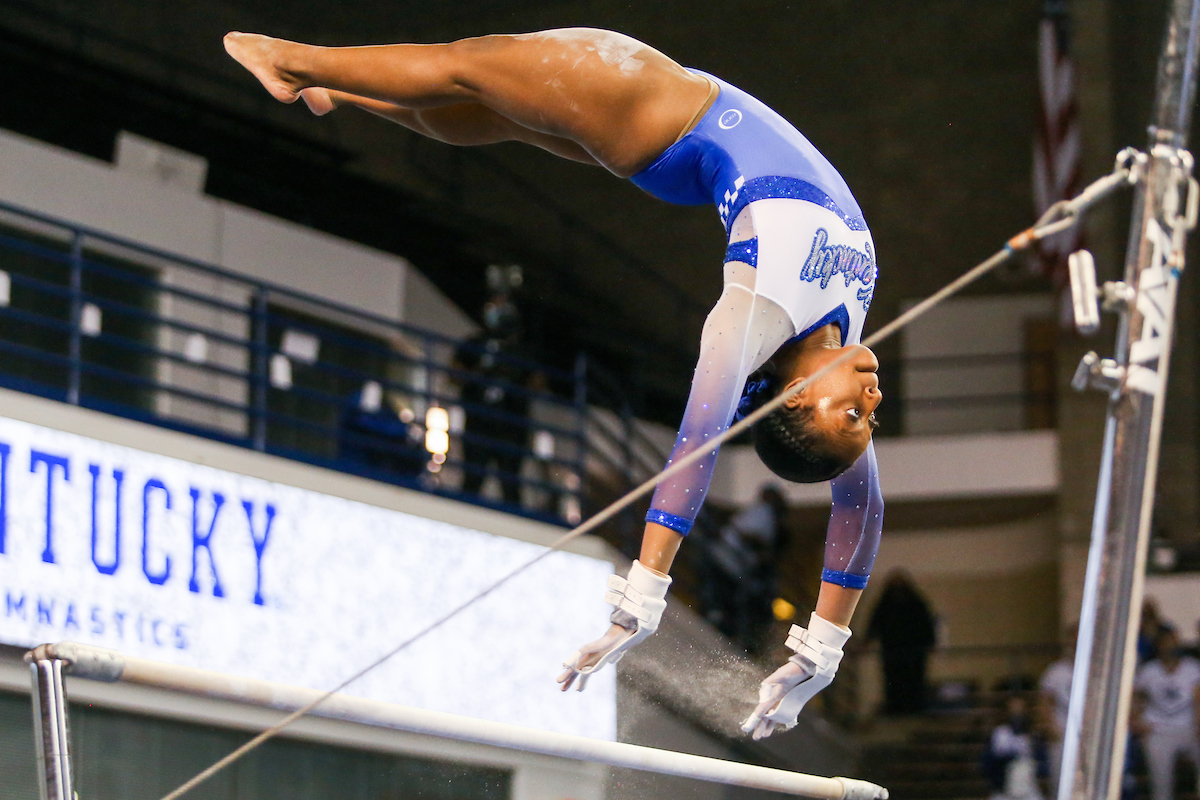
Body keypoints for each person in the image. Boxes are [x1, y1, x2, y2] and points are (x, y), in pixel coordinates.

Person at [225, 27, 884, 739]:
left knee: (466, 71)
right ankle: (344, 90)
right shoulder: (839, 346)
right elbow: (861, 511)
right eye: (867, 419)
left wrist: (646, 591)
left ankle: (292, 61)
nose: (871, 403)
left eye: (850, 416)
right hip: (675, 148)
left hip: (659, 107)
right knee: (490, 115)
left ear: (796, 399)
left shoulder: (754, 319)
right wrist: (820, 654)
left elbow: (695, 444)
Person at [452, 294, 536, 507]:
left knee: (510, 484)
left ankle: (516, 529)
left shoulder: (521, 351)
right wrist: (480, 373)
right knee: (472, 478)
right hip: (479, 421)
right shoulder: (475, 343)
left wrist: (511, 376)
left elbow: (537, 382)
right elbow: (454, 372)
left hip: (510, 425)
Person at [1133, 628, 1200, 800]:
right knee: (1161, 783)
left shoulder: (1192, 668)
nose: (1169, 647)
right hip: (1158, 730)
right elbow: (1136, 698)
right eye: (1164, 643)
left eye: (1172, 642)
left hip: (1189, 729)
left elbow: (1198, 699)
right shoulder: (1149, 670)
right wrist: (1137, 721)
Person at [865, 570, 937, 715]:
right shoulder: (886, 604)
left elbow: (926, 624)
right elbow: (875, 624)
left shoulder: (915, 603)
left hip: (913, 652)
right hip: (892, 651)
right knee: (894, 681)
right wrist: (867, 641)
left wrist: (931, 642)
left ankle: (914, 709)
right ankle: (896, 710)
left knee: (914, 681)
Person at [981, 695, 1048, 800]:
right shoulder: (999, 733)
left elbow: (1042, 763)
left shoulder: (1034, 735)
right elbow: (989, 762)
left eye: (1020, 708)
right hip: (1004, 787)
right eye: (1013, 708)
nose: (1017, 713)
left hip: (1028, 786)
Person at [1036, 624, 1077, 794]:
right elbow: (1044, 703)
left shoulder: (1096, 671)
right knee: (1061, 786)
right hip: (1062, 733)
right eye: (1073, 638)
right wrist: (1051, 728)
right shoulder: (1055, 672)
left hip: (1090, 735)